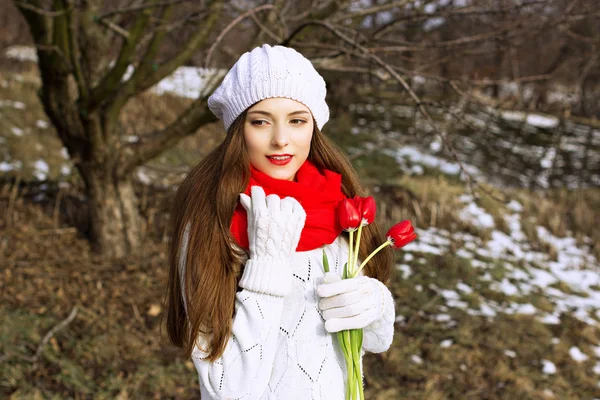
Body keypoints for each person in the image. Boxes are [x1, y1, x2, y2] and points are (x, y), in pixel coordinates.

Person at [165, 44, 395, 399]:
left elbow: (374, 343)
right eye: (260, 121)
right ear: (238, 129)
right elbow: (228, 391)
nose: (281, 139)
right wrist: (268, 266)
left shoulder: (338, 206)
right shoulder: (211, 222)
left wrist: (377, 306)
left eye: (297, 120)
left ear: (313, 126)